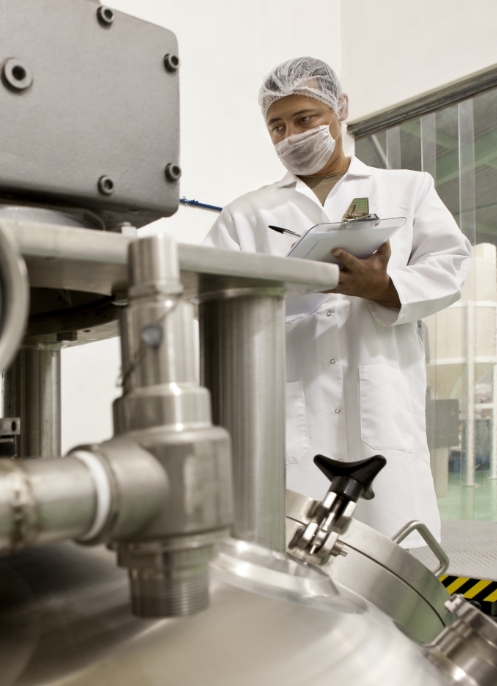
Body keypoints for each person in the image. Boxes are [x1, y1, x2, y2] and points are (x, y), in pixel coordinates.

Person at [202, 57, 472, 546]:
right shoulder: (245, 215)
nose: (292, 135)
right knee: (291, 571)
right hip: (288, 426)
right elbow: (211, 303)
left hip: (382, 412)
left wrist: (384, 288)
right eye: (277, 126)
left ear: (340, 108)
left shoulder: (406, 189)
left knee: (397, 561)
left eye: (305, 119)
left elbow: (451, 265)